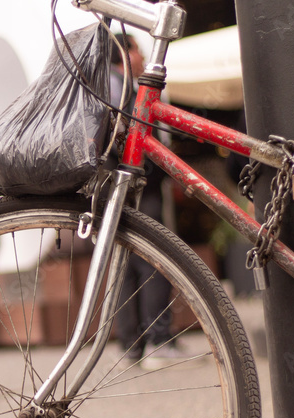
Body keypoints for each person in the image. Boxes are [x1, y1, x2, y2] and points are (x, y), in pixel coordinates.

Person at [110, 35, 186, 369]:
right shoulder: (130, 88)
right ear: (126, 54)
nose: (142, 55)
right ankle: (158, 339)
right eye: (137, 48)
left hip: (116, 186)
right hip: (143, 181)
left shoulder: (108, 86)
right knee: (155, 259)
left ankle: (131, 345)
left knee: (124, 263)